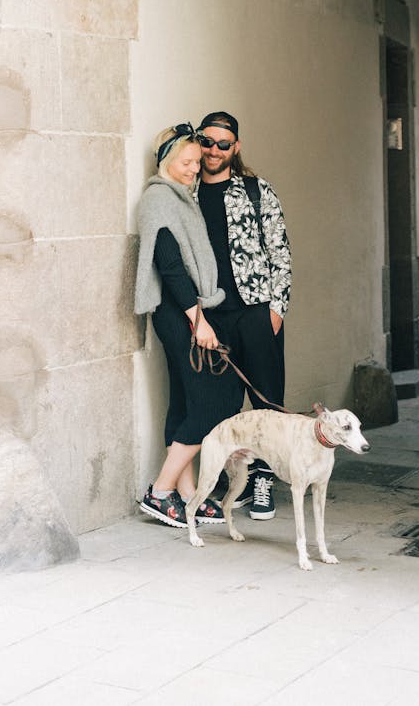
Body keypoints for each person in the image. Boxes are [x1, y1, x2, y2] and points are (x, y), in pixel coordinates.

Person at [135, 122, 244, 528]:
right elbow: (171, 269)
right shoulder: (159, 201)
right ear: (165, 161)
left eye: (197, 163)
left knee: (184, 401)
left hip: (186, 310)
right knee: (215, 401)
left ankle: (188, 495)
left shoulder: (182, 198)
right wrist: (198, 322)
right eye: (187, 162)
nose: (195, 169)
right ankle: (160, 492)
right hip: (178, 311)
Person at [196, 111, 291, 520]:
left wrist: (276, 308)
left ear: (235, 148)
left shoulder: (254, 190)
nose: (213, 150)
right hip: (212, 315)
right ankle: (229, 481)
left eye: (222, 143)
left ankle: (265, 482)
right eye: (207, 141)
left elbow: (280, 249)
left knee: (267, 402)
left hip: (255, 311)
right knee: (220, 402)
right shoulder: (187, 191)